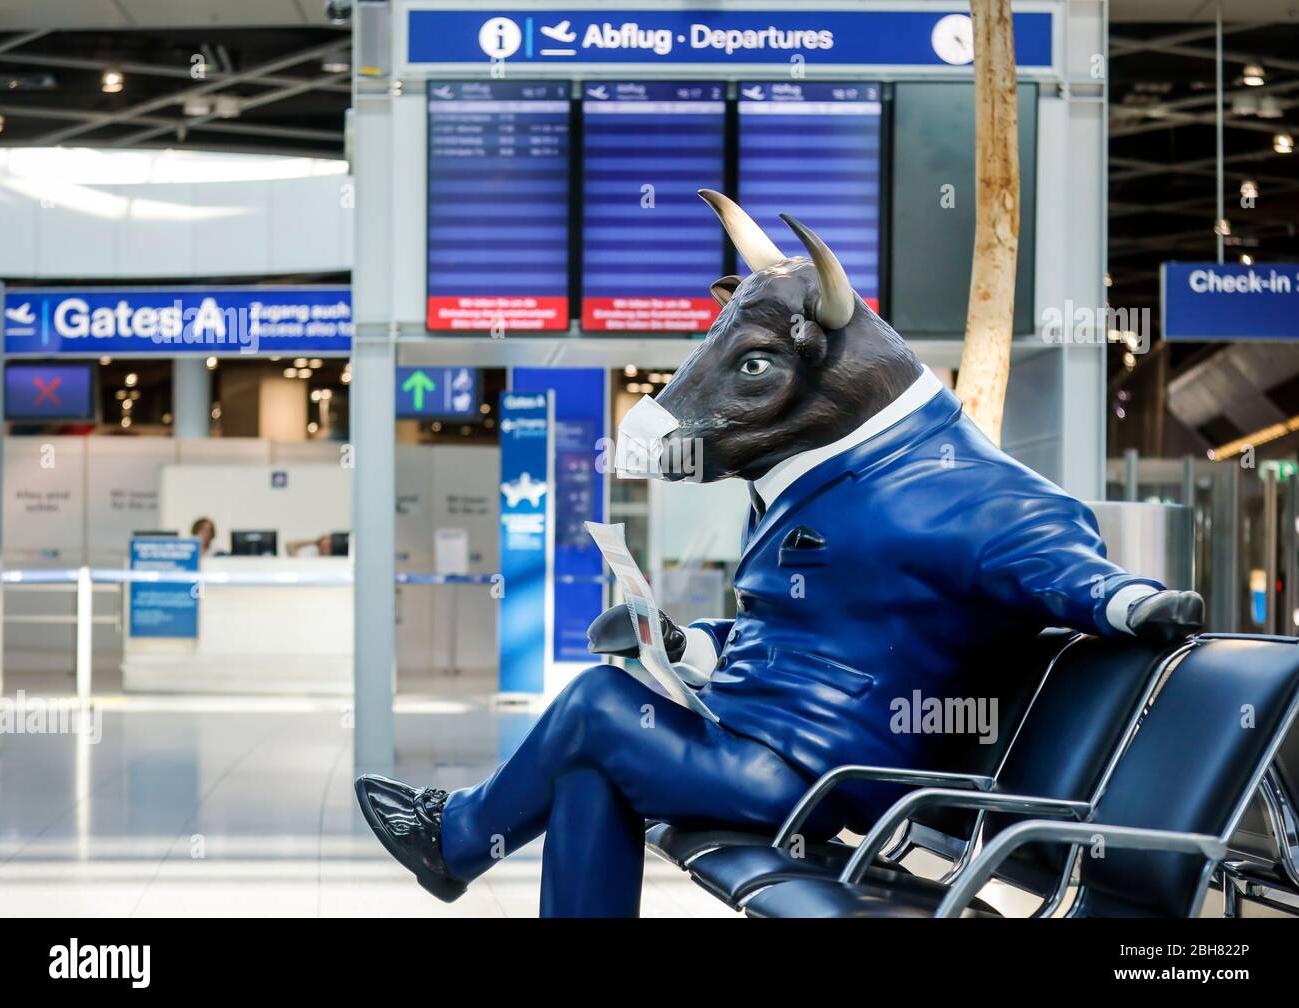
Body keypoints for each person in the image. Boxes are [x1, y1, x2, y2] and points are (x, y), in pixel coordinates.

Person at [354, 194, 1203, 917]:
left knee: (594, 709)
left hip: (831, 777)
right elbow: (800, 630)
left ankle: (456, 841)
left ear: (826, 374)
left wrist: (1128, 601)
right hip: (770, 745)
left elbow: (1054, 548)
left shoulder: (965, 487)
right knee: (591, 771)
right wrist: (684, 645)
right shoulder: (825, 483)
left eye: (754, 366)